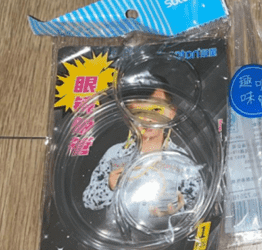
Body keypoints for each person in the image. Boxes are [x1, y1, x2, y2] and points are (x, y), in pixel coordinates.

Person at [82, 88, 202, 218]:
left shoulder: (181, 160)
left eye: (156, 110)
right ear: (127, 117)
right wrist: (109, 187)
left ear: (171, 113)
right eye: (139, 112)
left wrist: (178, 210)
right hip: (118, 228)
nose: (148, 120)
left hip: (163, 229)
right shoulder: (115, 155)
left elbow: (198, 202)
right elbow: (89, 201)